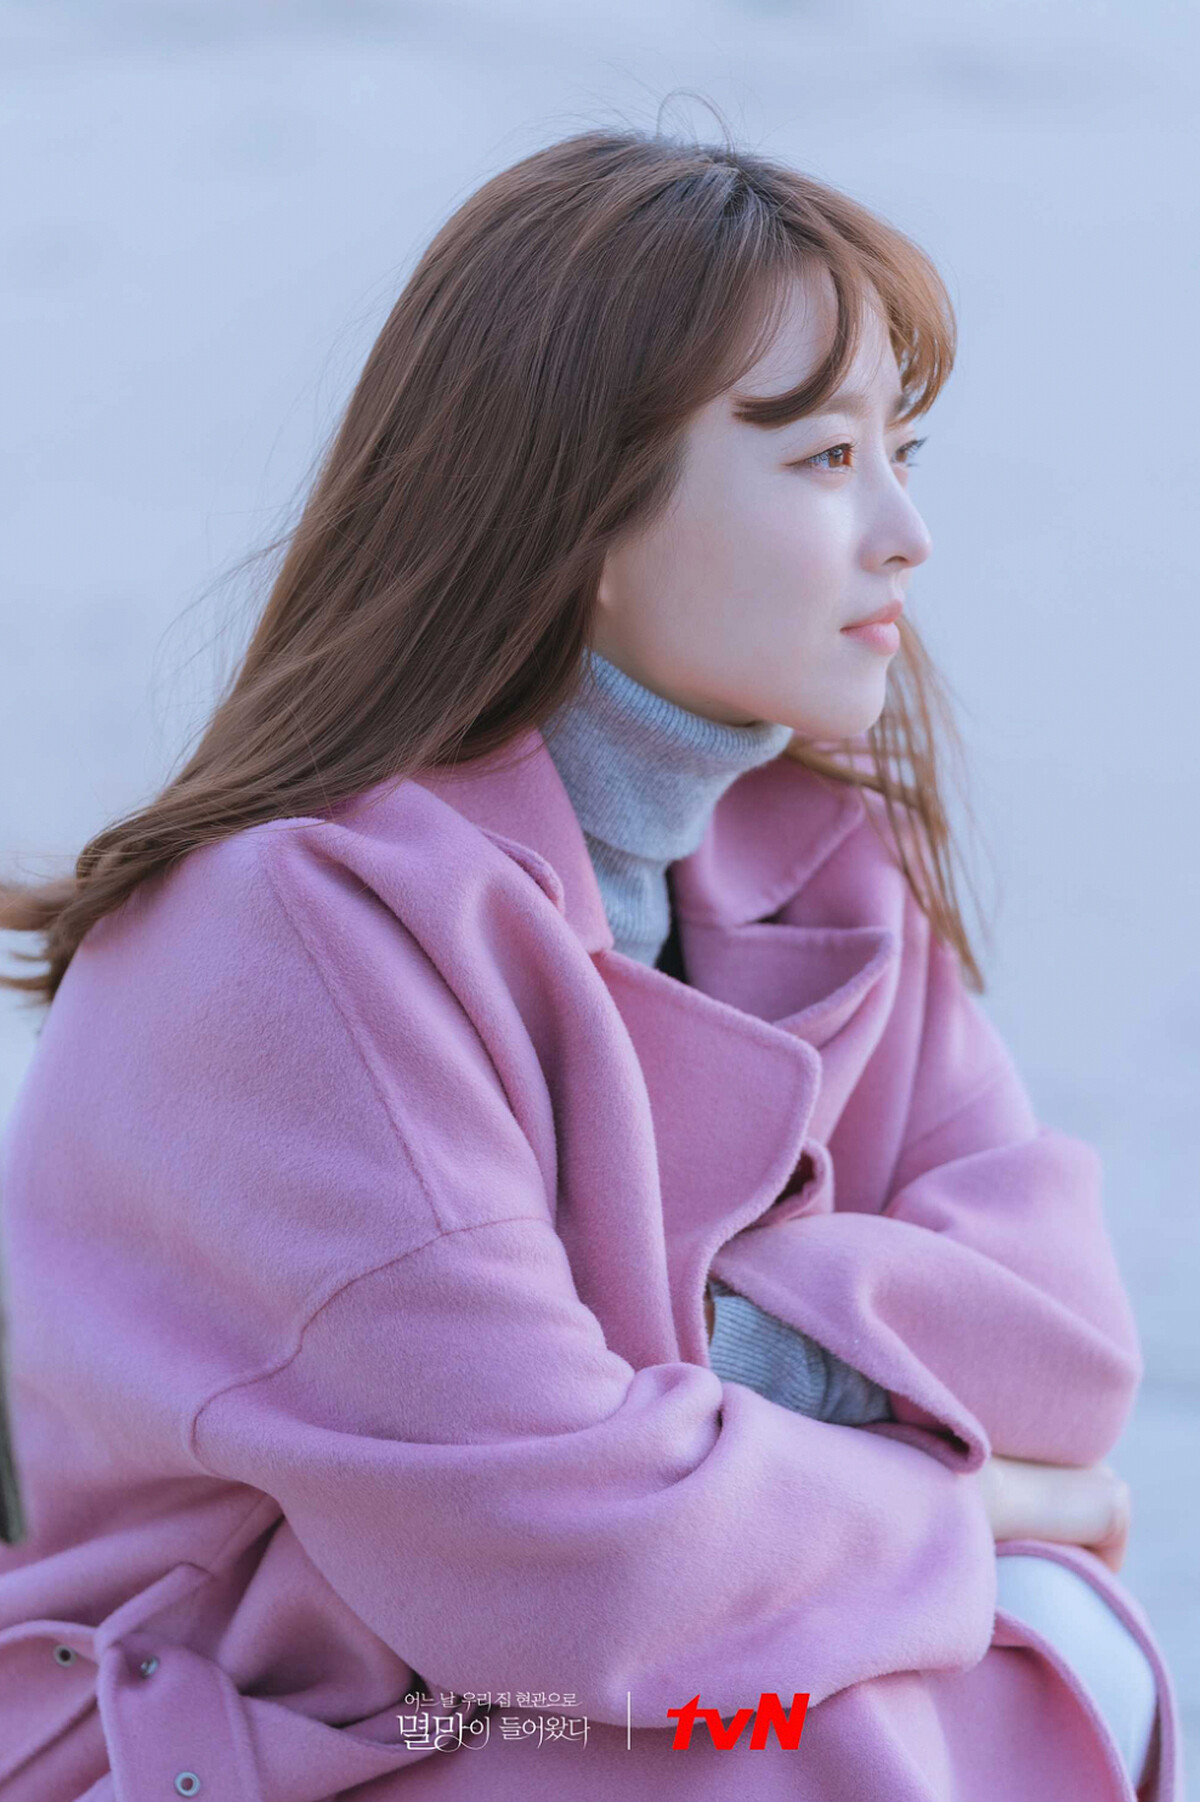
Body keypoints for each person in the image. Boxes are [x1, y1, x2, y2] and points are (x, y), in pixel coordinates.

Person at [0, 122, 1181, 1801]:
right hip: (298, 1727)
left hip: (590, 1686)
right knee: (841, 1733)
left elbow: (1061, 1352)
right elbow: (585, 1564)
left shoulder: (836, 866)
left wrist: (680, 1370)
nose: (908, 530)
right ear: (585, 511)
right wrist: (966, 1497)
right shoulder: (299, 930)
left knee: (1059, 1659)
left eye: (902, 451)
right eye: (824, 459)